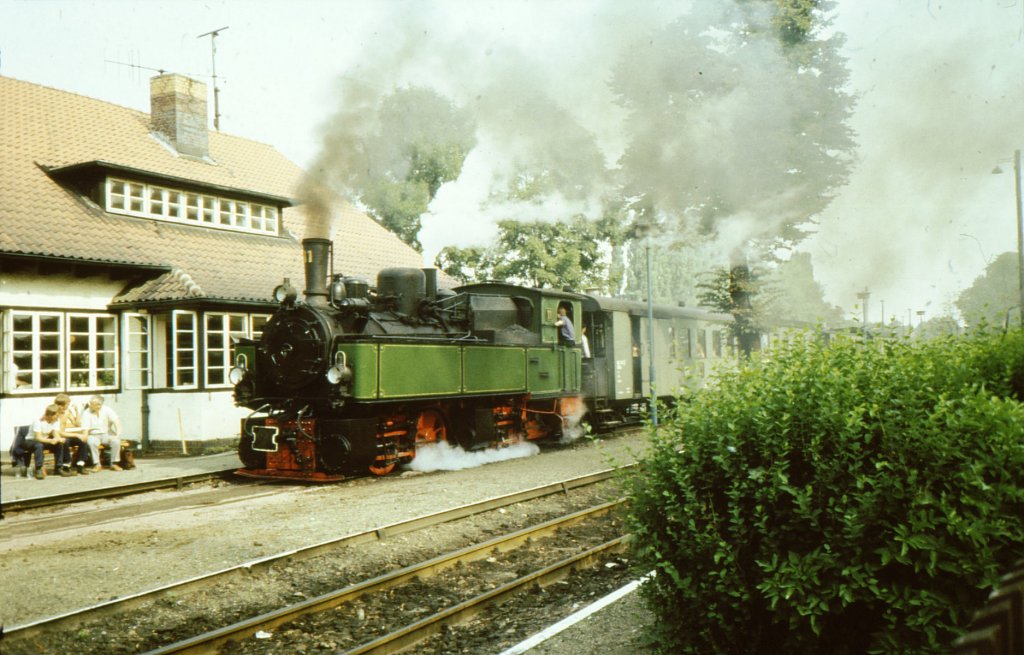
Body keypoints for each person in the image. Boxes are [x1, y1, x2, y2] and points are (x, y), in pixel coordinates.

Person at [25, 404, 71, 479]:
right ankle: (38, 469)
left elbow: (55, 433)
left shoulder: (56, 420)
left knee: (60, 444)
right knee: (39, 445)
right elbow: (38, 438)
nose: (57, 417)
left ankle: (58, 467)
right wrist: (50, 441)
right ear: (50, 415)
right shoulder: (38, 421)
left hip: (44, 440)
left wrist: (59, 439)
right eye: (56, 415)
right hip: (31, 441)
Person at [54, 393, 96, 475]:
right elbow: (59, 432)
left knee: (83, 440)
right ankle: (66, 465)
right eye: (68, 404)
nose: (68, 405)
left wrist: (76, 411)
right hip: (57, 436)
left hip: (65, 434)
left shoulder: (67, 412)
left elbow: (77, 424)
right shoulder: (55, 413)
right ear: (62, 404)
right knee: (65, 441)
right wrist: (76, 434)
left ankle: (80, 464)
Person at [78, 395, 123, 472]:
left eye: (92, 404)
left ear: (99, 405)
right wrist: (85, 437)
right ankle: (97, 464)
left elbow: (116, 421)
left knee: (116, 441)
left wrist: (117, 434)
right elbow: (85, 428)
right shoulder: (86, 412)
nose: (90, 405)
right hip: (93, 434)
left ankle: (114, 463)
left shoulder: (107, 410)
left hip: (106, 433)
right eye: (90, 403)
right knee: (92, 443)